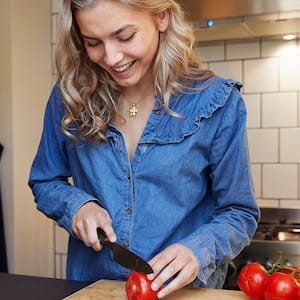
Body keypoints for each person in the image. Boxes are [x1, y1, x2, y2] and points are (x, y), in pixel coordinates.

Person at [28, 0, 260, 298]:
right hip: (94, 289)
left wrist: (197, 251)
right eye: (93, 42)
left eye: (125, 37)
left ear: (162, 17)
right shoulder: (68, 98)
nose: (111, 57)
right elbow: (45, 180)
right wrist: (77, 206)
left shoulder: (217, 102)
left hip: (184, 293)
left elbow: (239, 212)